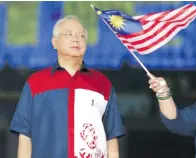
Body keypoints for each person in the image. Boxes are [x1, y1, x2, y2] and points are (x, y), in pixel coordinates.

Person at [9, 15, 125, 158]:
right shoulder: (36, 83)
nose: (76, 39)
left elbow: (111, 138)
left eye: (81, 35)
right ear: (55, 42)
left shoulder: (102, 84)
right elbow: (25, 136)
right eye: (69, 34)